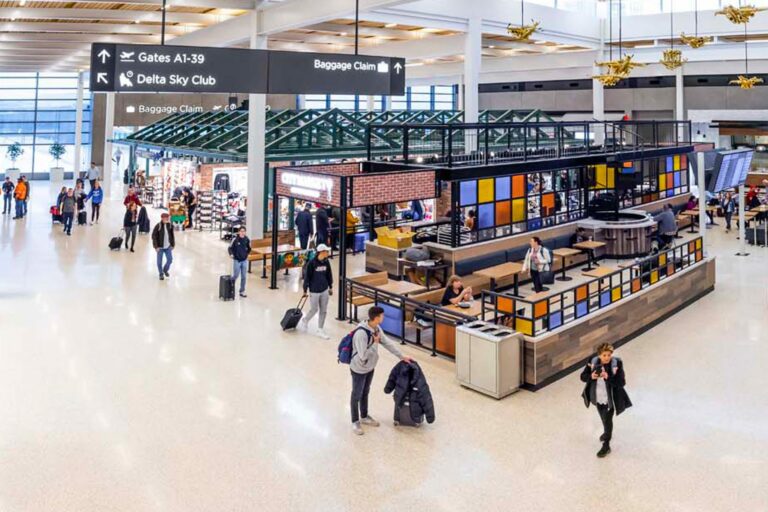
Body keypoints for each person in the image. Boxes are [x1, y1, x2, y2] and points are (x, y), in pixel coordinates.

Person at [349, 306, 413, 436]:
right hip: (359, 368)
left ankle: (365, 416)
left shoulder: (377, 329)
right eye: (382, 316)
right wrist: (374, 342)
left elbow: (388, 343)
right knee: (356, 394)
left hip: (370, 367)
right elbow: (362, 356)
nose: (383, 318)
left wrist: (401, 356)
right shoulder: (361, 333)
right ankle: (355, 421)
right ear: (376, 317)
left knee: (365, 391)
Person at [580, 343, 632, 458]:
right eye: (604, 355)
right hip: (598, 397)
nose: (607, 357)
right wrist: (591, 377)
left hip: (611, 399)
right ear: (599, 355)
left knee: (608, 419)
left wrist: (608, 377)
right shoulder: (592, 361)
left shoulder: (616, 363)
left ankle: (606, 444)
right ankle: (606, 432)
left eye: (609, 355)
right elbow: (582, 376)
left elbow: (621, 382)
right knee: (603, 417)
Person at [298, 244, 333, 338]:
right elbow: (307, 278)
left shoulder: (326, 262)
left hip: (324, 290)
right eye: (326, 251)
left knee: (324, 310)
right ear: (321, 252)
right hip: (314, 291)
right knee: (314, 309)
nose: (328, 253)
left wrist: (330, 286)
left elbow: (329, 274)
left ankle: (320, 329)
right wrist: (305, 290)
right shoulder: (311, 263)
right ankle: (305, 320)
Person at [228, 226, 251, 298]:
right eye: (241, 231)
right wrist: (231, 254)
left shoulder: (247, 239)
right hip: (237, 260)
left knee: (244, 276)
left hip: (244, 260)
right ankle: (230, 287)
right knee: (236, 275)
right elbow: (230, 248)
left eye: (244, 231)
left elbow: (249, 248)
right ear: (238, 232)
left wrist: (247, 255)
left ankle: (242, 291)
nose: (242, 232)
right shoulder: (235, 239)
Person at [152, 213, 175, 281]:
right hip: (160, 247)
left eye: (167, 218)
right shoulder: (158, 225)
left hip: (168, 247)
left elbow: (172, 236)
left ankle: (165, 270)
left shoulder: (170, 225)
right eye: (164, 218)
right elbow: (154, 236)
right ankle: (161, 273)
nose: (166, 219)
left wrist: (173, 244)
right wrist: (156, 247)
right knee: (159, 262)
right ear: (161, 218)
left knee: (170, 260)